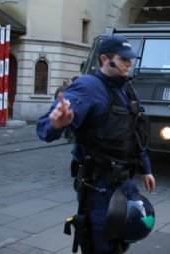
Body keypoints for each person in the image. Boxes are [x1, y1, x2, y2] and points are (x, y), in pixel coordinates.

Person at [37, 36, 156, 253]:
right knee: (102, 245)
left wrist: (146, 168)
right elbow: (45, 127)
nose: (129, 63)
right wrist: (57, 124)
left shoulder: (129, 91)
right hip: (99, 188)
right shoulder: (87, 87)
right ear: (104, 59)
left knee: (122, 241)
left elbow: (136, 135)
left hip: (126, 184)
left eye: (131, 59)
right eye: (123, 59)